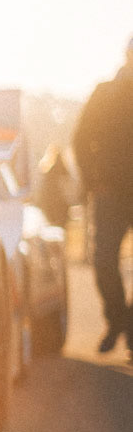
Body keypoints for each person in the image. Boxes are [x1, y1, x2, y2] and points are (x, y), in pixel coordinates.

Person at [73, 41, 133, 355]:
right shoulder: (105, 93)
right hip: (109, 193)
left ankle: (130, 325)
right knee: (104, 261)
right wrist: (93, 180)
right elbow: (80, 138)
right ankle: (117, 318)